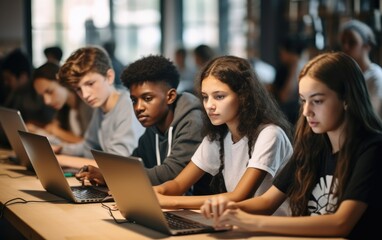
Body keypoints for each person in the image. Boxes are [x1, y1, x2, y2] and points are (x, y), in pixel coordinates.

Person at [200, 52, 382, 239]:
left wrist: (246, 221)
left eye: (317, 101)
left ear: (346, 99)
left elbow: (340, 223)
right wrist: (224, 208)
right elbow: (267, 202)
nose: (306, 111)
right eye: (303, 100)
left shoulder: (373, 148)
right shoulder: (312, 145)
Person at [151, 55, 293, 212]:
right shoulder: (218, 137)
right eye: (205, 97)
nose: (209, 105)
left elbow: (239, 196)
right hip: (237, 224)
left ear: (243, 96)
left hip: (270, 230)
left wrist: (170, 202)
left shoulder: (270, 134)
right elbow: (178, 184)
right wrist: (154, 193)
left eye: (219, 96)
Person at [75, 54, 210, 191]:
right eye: (134, 100)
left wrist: (111, 176)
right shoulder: (154, 126)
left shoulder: (193, 122)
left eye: (147, 98)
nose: (139, 107)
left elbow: (171, 174)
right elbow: (134, 162)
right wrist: (103, 174)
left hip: (200, 209)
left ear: (170, 97)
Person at [55, 46, 144, 160]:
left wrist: (61, 160)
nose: (85, 95)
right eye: (78, 89)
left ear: (109, 77)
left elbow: (118, 162)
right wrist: (60, 150)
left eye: (90, 84)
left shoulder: (128, 106)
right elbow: (88, 147)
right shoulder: (100, 107)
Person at [31, 62, 93, 143]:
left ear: (62, 82)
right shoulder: (64, 108)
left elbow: (90, 144)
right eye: (42, 96)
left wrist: (57, 132)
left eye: (50, 92)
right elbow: (53, 128)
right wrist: (37, 130)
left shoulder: (88, 103)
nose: (47, 101)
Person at [339, 19, 382, 119]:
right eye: (343, 42)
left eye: (352, 42)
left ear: (367, 46)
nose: (346, 47)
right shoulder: (346, 74)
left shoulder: (376, 77)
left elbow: (372, 114)